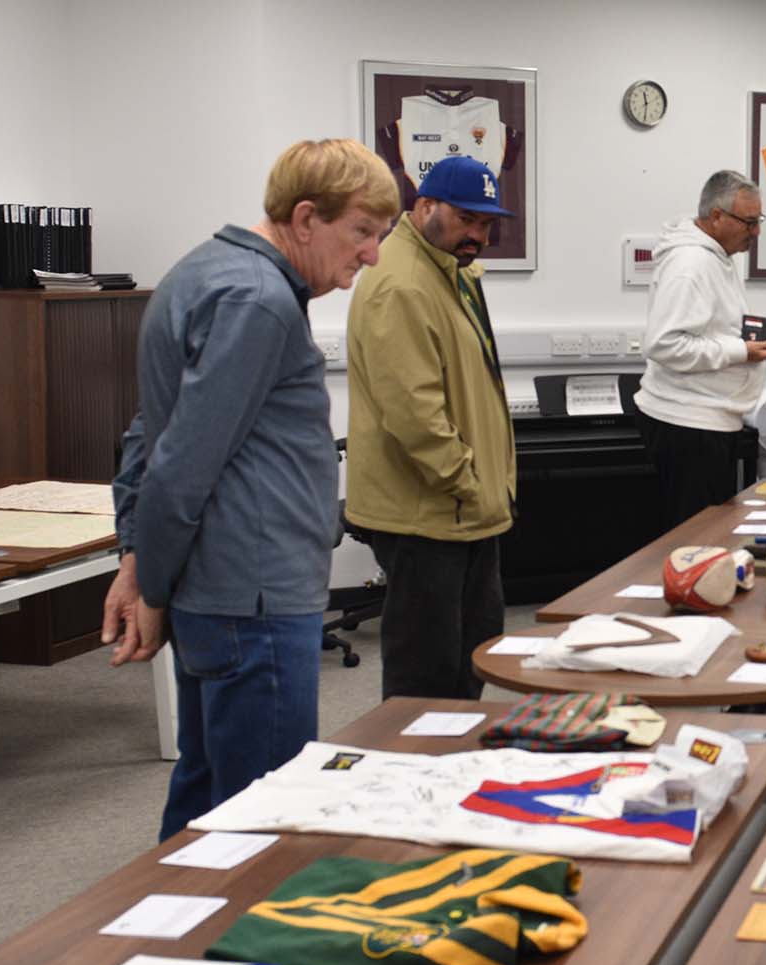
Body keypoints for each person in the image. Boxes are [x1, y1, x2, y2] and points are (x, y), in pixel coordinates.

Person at [101, 138, 398, 841]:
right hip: (254, 596)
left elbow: (150, 431)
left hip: (226, 588)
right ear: (304, 217)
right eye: (361, 232)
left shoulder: (205, 271)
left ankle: (171, 934)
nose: (372, 255)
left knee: (207, 792)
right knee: (262, 817)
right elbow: (181, 462)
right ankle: (230, 947)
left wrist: (139, 557)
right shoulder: (259, 300)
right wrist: (149, 586)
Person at [345, 155, 515, 702]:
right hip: (428, 510)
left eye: (486, 224)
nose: (478, 235)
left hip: (462, 510)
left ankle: (452, 768)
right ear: (423, 208)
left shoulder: (450, 272)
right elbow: (414, 412)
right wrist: (467, 481)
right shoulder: (402, 284)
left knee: (473, 653)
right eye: (467, 219)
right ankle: (407, 773)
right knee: (425, 673)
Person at [636, 170, 766, 521]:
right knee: (694, 538)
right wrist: (740, 351)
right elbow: (665, 343)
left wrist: (744, 341)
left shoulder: (717, 257)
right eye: (749, 223)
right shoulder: (691, 263)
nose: (756, 232)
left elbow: (709, 327)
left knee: (708, 533)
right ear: (717, 216)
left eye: (758, 220)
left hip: (709, 421)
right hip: (689, 424)